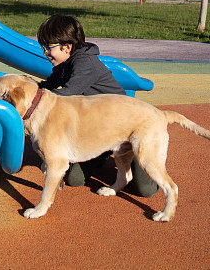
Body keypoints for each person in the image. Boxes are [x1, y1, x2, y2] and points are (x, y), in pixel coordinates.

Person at [36, 13, 158, 197]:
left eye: (48, 47)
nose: (45, 53)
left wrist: (31, 100)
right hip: (97, 131)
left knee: (145, 190)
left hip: (128, 128)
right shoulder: (64, 65)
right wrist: (25, 87)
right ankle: (103, 156)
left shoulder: (85, 64)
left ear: (67, 47)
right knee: (75, 179)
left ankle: (149, 158)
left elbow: (64, 94)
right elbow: (46, 87)